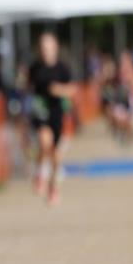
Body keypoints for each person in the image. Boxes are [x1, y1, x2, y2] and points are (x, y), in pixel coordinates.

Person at [28, 32, 75, 205]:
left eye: (48, 47)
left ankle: (53, 188)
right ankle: (40, 173)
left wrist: (60, 90)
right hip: (41, 110)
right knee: (44, 141)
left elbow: (72, 89)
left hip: (57, 112)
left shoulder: (62, 68)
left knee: (55, 157)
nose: (45, 51)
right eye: (42, 47)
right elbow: (27, 88)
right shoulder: (35, 68)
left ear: (55, 48)